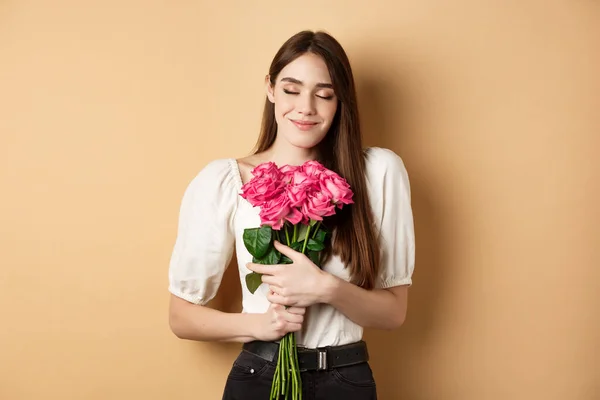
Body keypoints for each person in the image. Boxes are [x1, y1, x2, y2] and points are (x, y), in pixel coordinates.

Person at [167, 30, 415, 400]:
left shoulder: (378, 172)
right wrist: (261, 325)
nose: (306, 107)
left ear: (340, 100)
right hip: (259, 375)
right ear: (270, 89)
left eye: (324, 94)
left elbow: (393, 314)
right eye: (291, 89)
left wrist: (325, 288)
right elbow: (181, 317)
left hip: (346, 379)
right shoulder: (224, 180)